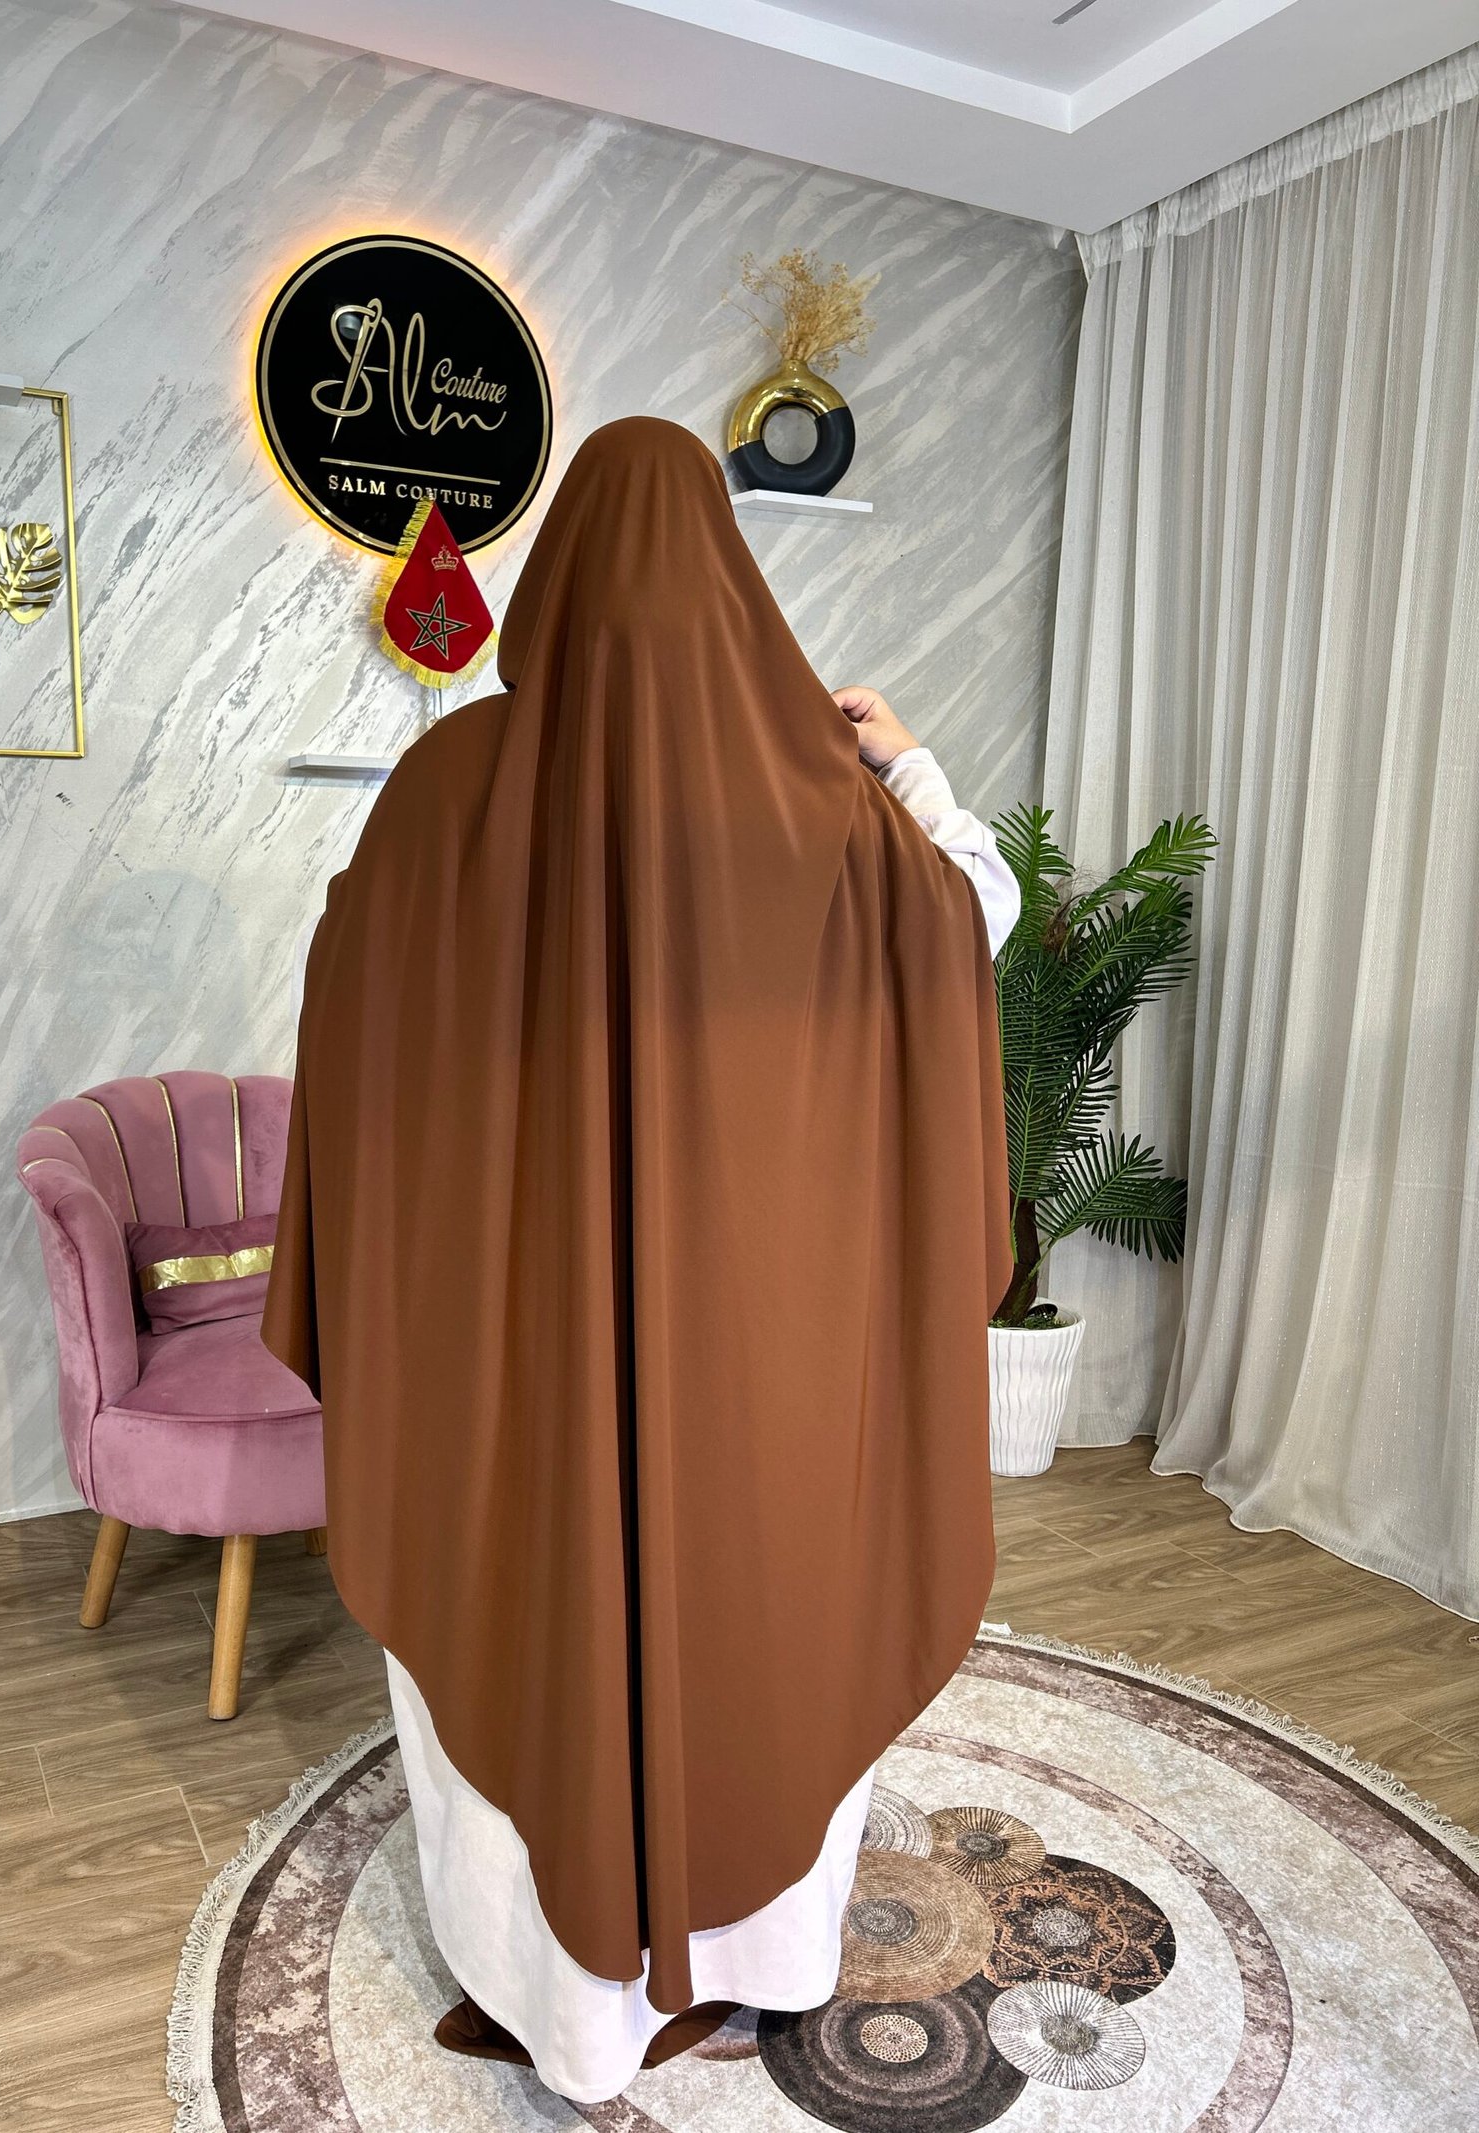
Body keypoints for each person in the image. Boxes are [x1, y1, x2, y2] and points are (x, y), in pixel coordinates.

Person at [263, 416, 1017, 2104]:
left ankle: (557, 2008)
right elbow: (974, 921)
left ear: (556, 581)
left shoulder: (450, 791)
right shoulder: (833, 814)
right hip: (770, 1371)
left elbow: (348, 989)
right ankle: (752, 1977)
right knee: (772, 1616)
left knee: (518, 1605)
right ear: (735, 582)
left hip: (514, 1368)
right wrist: (910, 765)